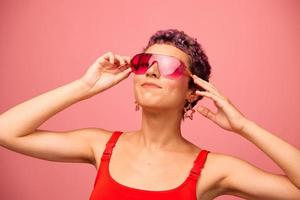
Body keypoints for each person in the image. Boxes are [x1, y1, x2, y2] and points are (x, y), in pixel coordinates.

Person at [0, 29, 299, 200]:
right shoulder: (101, 146)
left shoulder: (211, 169)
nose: (152, 70)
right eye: (144, 63)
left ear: (192, 92)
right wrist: (84, 86)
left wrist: (244, 126)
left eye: (168, 66)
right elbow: (6, 131)